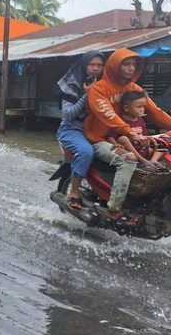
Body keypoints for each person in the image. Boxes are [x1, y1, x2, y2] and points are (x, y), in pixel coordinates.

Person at [85, 48, 171, 223]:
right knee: (128, 159)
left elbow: (156, 112)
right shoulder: (99, 89)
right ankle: (114, 208)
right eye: (126, 64)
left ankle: (147, 204)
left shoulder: (135, 89)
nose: (131, 68)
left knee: (161, 153)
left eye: (134, 64)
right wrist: (129, 131)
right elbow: (107, 114)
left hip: (130, 137)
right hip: (102, 139)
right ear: (115, 65)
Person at [55, 51, 105, 210]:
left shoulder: (104, 84)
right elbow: (67, 114)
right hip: (72, 129)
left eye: (99, 65)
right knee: (86, 152)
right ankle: (75, 191)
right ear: (85, 65)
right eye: (92, 65)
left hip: (96, 129)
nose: (96, 68)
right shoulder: (72, 84)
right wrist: (87, 95)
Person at [105, 90, 165, 168]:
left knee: (162, 145)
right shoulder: (120, 121)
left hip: (143, 149)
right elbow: (110, 136)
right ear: (126, 108)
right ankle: (143, 161)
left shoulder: (141, 121)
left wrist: (149, 139)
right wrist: (116, 144)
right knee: (123, 138)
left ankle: (153, 161)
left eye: (143, 106)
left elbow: (145, 136)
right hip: (131, 152)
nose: (142, 109)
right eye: (139, 107)